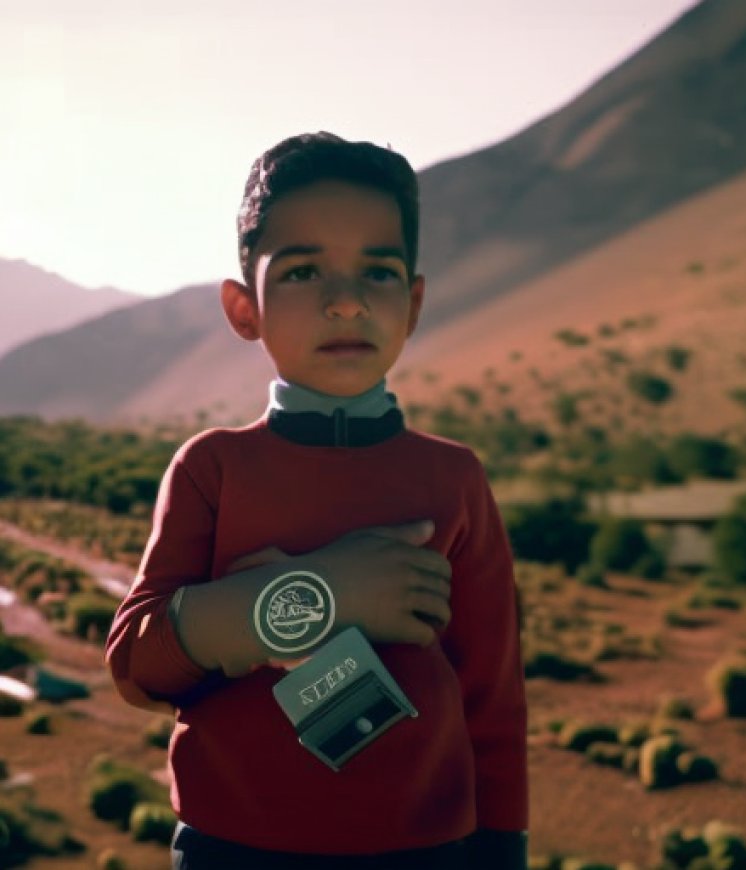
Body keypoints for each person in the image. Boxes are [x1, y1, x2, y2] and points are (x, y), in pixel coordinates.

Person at [106, 132, 528, 869]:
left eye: (379, 273)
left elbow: (493, 696)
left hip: (429, 852)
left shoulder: (454, 478)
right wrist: (323, 593)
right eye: (303, 272)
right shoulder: (214, 467)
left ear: (414, 302)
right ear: (245, 309)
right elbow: (138, 666)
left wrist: (504, 847)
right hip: (232, 849)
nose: (344, 303)